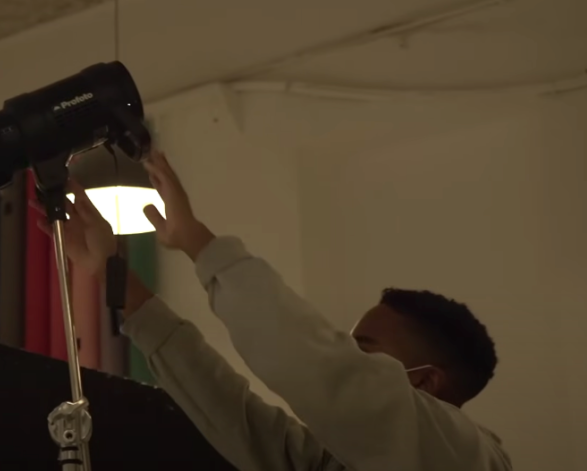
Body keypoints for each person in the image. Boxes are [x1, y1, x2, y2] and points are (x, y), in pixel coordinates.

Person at [35, 150, 512, 471]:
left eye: (364, 351)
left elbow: (320, 367)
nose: (344, 355)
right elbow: (234, 415)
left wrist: (198, 242)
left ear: (424, 382)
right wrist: (117, 276)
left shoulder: (468, 455)